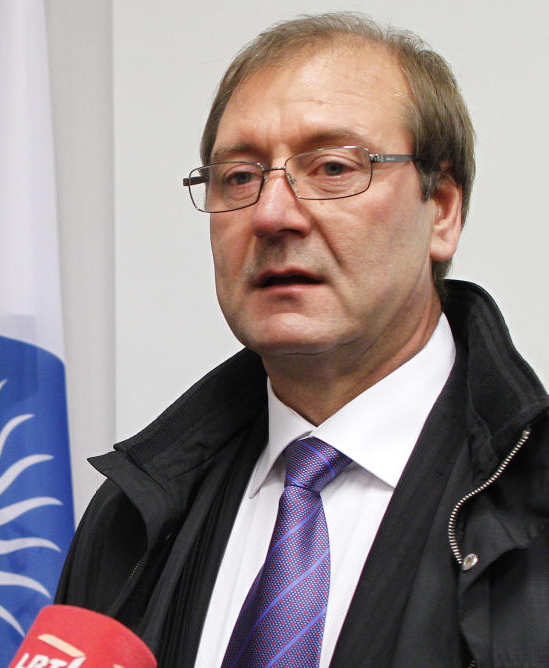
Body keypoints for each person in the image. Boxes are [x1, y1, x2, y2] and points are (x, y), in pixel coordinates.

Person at [55, 12, 549, 668]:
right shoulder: (128, 519)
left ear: (444, 210)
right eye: (238, 177)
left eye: (334, 168)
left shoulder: (531, 504)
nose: (271, 214)